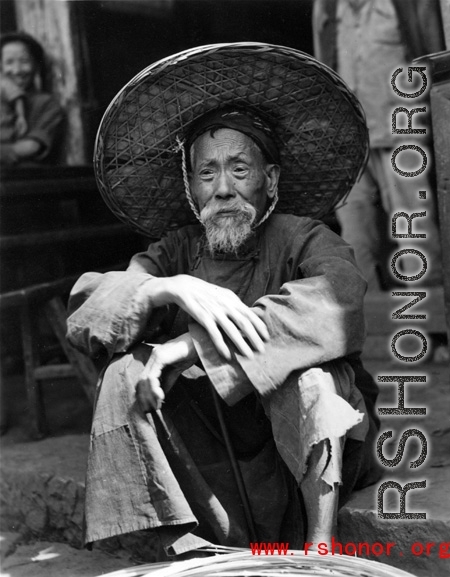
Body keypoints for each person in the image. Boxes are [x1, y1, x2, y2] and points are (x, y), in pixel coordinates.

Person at [66, 43, 381, 558]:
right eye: (207, 172)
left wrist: (191, 347)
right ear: (191, 187)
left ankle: (321, 550)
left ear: (270, 179)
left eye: (240, 169)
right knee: (125, 371)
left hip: (298, 451)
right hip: (213, 449)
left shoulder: (303, 236)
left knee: (311, 379)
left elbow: (340, 299)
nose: (223, 189)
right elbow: (90, 315)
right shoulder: (177, 248)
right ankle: (185, 546)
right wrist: (165, 287)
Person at [313, 0, 445, 291]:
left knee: (414, 231)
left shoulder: (411, 5)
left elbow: (435, 62)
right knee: (353, 235)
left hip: (402, 135)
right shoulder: (329, 6)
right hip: (351, 139)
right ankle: (361, 318)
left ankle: (432, 319)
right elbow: (324, 68)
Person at [0, 31, 64, 166]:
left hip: (22, 178)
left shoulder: (46, 104)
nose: (17, 70)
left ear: (36, 65)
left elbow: (32, 146)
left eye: (24, 61)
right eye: (9, 62)